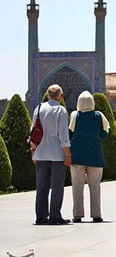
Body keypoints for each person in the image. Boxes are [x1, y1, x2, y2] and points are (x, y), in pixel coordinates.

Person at [31, 85, 72, 225]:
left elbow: (33, 132)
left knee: (41, 186)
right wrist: (67, 155)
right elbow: (63, 136)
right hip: (57, 154)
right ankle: (54, 216)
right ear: (60, 96)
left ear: (47, 95)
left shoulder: (39, 108)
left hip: (41, 153)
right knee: (57, 186)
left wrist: (33, 152)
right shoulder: (60, 110)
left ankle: (41, 216)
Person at [68, 91, 110, 223]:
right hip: (95, 157)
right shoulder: (99, 115)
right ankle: (96, 215)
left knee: (77, 186)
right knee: (95, 186)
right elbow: (104, 134)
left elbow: (69, 133)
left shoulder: (74, 115)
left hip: (77, 157)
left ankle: (77, 215)